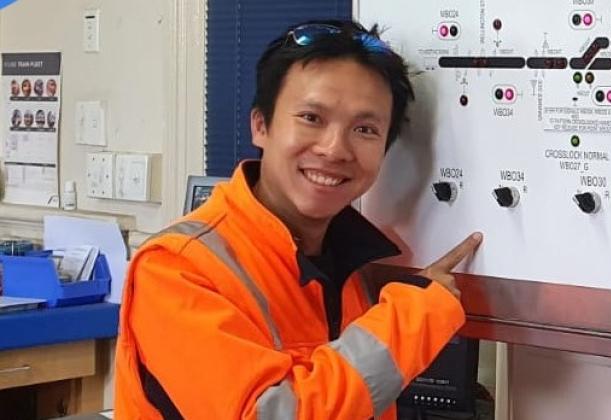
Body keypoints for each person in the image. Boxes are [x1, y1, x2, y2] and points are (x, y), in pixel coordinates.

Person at [115, 20, 482, 419]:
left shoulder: (348, 263)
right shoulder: (176, 268)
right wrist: (414, 317)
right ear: (261, 125)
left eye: (365, 129)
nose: (334, 149)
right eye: (312, 117)